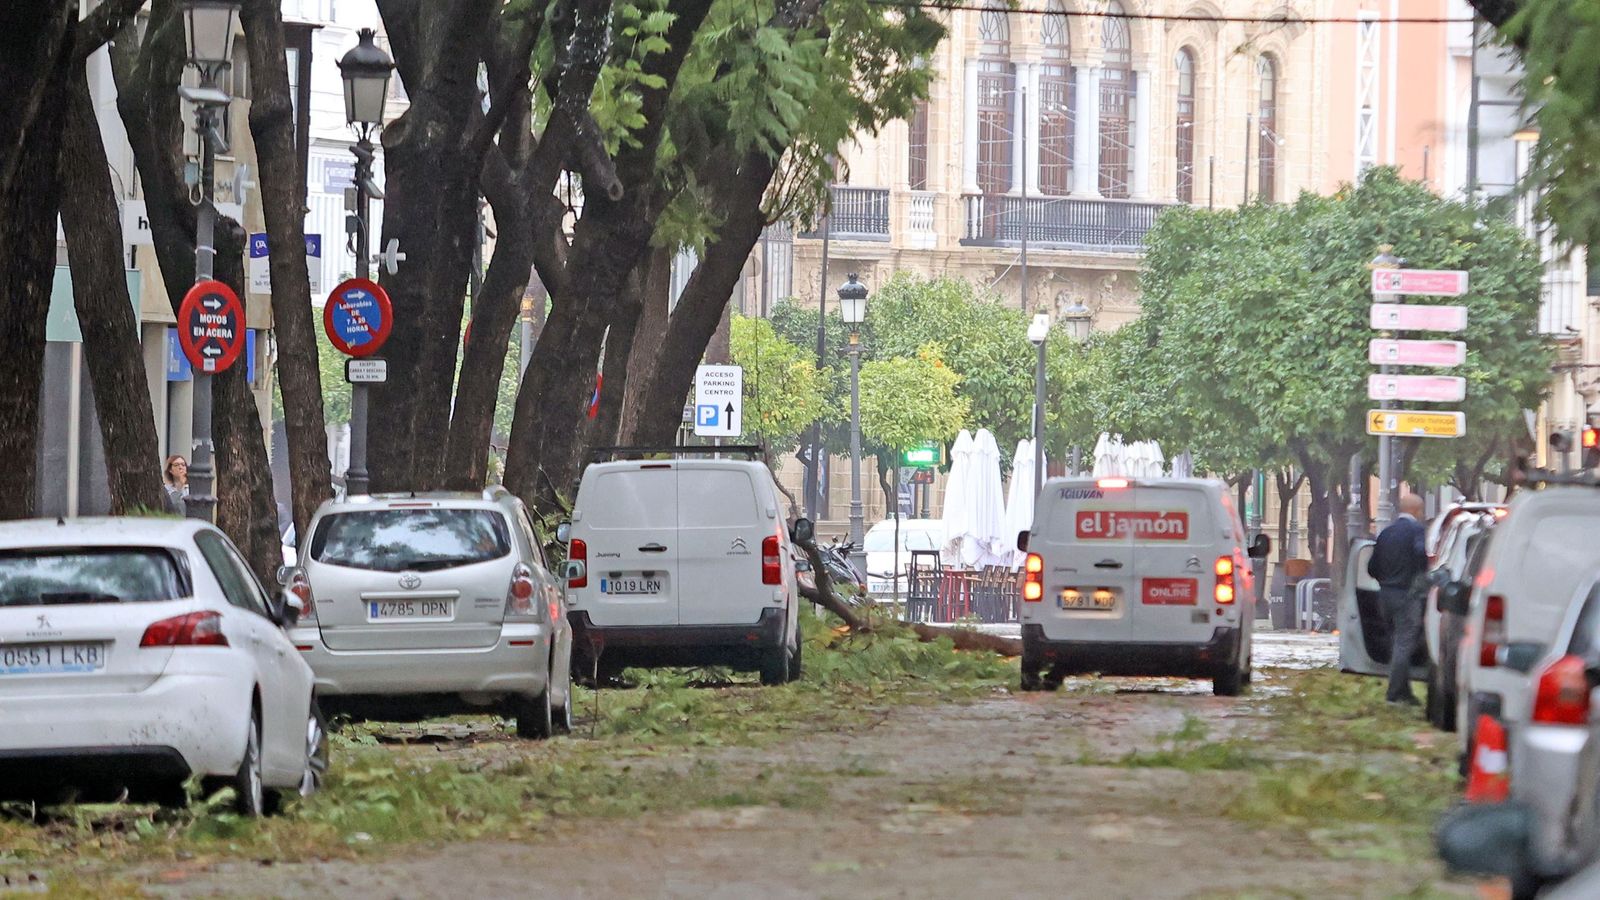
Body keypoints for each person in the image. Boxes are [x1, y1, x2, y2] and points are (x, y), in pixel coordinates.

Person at [1368, 494, 1429, 705]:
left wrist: (1386, 580)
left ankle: (1404, 692)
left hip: (1384, 595)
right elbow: (1422, 555)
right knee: (1404, 643)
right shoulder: (1417, 531)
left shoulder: (1386, 533)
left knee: (1397, 642)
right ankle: (1394, 693)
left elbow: (1371, 567)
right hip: (1406, 594)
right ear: (1417, 511)